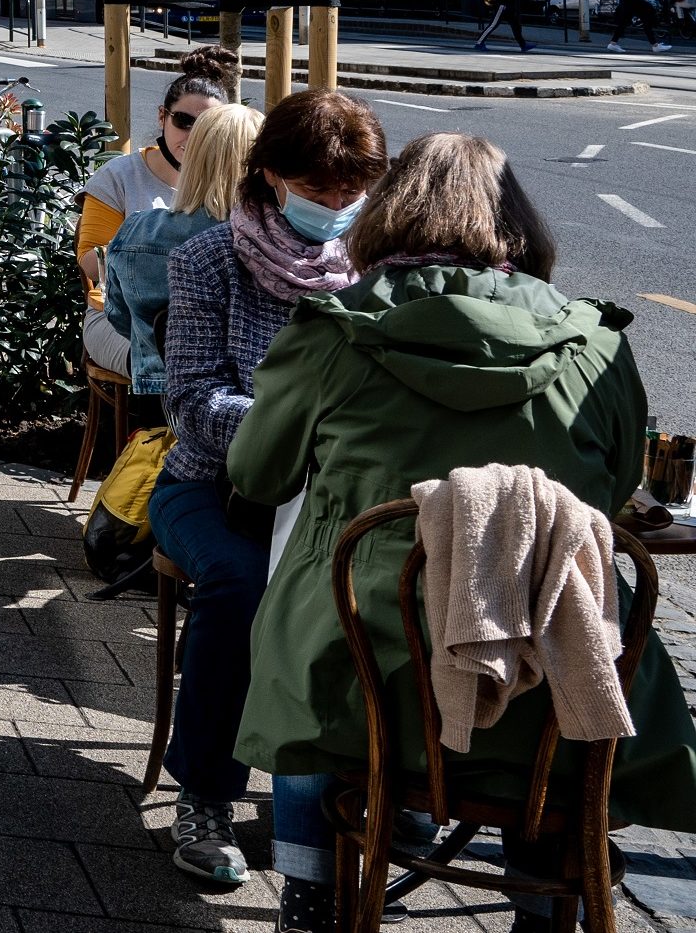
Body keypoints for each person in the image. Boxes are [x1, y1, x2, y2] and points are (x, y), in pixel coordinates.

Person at [232, 134, 696, 933]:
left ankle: (310, 896)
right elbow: (618, 489)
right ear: (519, 221)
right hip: (553, 680)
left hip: (370, 683)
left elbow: (256, 474)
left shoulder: (332, 331)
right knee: (587, 666)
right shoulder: (598, 341)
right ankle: (545, 896)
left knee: (300, 645)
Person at [150, 87, 387, 888]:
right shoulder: (209, 260)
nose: (338, 207)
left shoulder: (373, 273)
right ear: (272, 178)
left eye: (353, 193)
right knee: (245, 584)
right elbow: (187, 398)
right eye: (320, 191)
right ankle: (205, 796)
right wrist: (290, 428)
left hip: (334, 497)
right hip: (211, 488)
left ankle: (370, 792)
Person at [92, 102, 260, 395]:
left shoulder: (138, 230)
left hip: (161, 393)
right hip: (251, 395)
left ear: (193, 157)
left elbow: (120, 316)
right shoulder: (272, 240)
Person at [75, 46, 238, 297]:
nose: (193, 136)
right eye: (184, 121)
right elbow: (89, 263)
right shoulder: (118, 176)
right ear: (162, 116)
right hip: (122, 311)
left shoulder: (232, 180)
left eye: (207, 126)